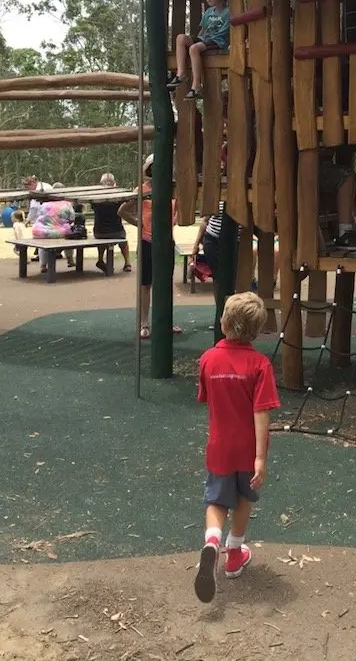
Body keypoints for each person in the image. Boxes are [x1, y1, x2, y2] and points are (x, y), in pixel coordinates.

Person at [194, 291, 280, 603]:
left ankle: (211, 543)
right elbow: (261, 412)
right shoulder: (260, 365)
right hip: (247, 449)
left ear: (223, 322)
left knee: (216, 500)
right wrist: (260, 457)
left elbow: (205, 397)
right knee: (244, 497)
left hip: (219, 446)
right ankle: (234, 553)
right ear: (256, 331)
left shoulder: (208, 359)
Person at [119, 155, 180, 340]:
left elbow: (179, 212)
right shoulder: (143, 190)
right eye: (153, 168)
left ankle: (165, 321)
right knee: (146, 284)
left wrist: (171, 223)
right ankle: (144, 323)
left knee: (165, 283)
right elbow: (122, 211)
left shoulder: (173, 189)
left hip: (167, 241)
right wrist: (140, 225)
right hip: (147, 242)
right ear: (149, 170)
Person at [167, 0, 230, 101]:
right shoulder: (208, 12)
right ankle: (181, 74)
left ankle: (196, 86)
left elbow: (229, 31)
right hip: (205, 40)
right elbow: (203, 30)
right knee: (181, 38)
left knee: (194, 48)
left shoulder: (229, 12)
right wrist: (197, 39)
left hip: (217, 42)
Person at [318, 145, 356, 248]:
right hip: (309, 170)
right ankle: (345, 233)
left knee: (347, 166)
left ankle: (351, 228)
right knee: (346, 176)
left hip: (315, 167)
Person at [91, 173, 132, 273]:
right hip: (117, 232)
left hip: (99, 232)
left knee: (101, 238)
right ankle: (127, 263)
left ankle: (100, 259)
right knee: (123, 241)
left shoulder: (95, 198)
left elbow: (93, 205)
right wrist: (115, 189)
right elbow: (126, 202)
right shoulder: (117, 198)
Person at [31, 187, 75, 274]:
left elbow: (38, 217)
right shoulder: (67, 204)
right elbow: (72, 218)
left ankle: (43, 265)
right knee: (69, 238)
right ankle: (70, 260)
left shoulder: (44, 205)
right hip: (61, 232)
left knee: (42, 246)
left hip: (43, 232)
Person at [191, 201, 225, 283]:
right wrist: (196, 245)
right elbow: (205, 221)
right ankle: (219, 295)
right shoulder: (216, 195)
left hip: (238, 243)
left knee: (233, 277)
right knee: (218, 277)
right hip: (213, 240)